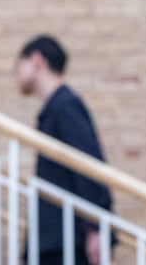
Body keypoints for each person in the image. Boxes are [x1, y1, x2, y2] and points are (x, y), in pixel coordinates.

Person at [15, 35, 114, 265]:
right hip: (57, 242)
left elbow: (88, 163)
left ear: (37, 60)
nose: (17, 74)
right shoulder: (58, 105)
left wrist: (96, 226)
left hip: (67, 243)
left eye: (20, 64)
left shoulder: (65, 104)